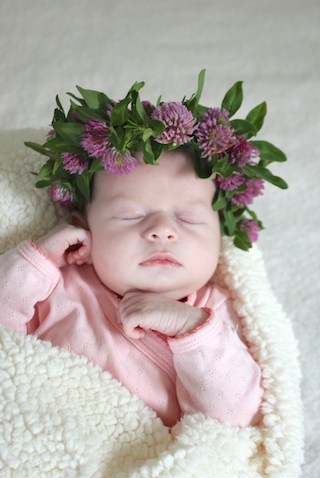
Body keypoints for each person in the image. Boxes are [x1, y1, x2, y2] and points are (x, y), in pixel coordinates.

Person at [1, 71, 287, 427]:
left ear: (219, 237)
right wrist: (36, 261)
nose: (163, 231)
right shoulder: (60, 287)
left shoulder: (213, 313)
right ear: (83, 229)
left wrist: (190, 329)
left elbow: (237, 415)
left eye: (189, 218)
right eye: (131, 214)